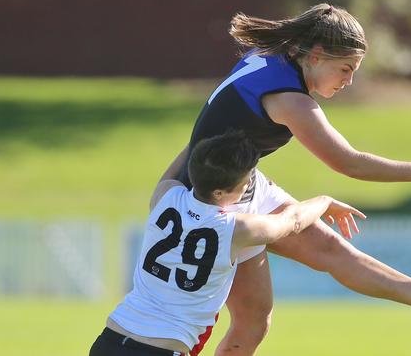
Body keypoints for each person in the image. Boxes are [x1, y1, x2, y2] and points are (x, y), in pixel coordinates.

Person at [167, 3, 411, 356]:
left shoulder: (270, 55)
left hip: (231, 182)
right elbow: (350, 163)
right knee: (206, 326)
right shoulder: (290, 101)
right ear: (317, 55)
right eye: (346, 69)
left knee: (265, 310)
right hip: (212, 201)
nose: (349, 81)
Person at [90, 130, 366, 356]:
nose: (248, 187)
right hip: (161, 350)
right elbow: (292, 221)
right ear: (221, 192)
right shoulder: (235, 229)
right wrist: (325, 201)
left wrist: (204, 130)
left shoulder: (164, 195)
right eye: (245, 184)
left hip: (110, 339)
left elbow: (188, 152)